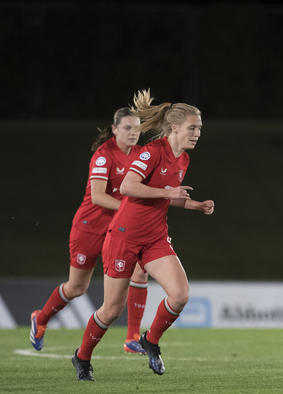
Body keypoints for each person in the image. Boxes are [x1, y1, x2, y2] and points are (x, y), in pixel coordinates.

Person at [71, 90, 214, 381]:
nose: (198, 133)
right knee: (111, 310)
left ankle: (150, 340)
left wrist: (192, 204)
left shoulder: (183, 159)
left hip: (155, 238)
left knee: (180, 295)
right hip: (123, 237)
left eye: (199, 128)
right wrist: (167, 192)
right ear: (175, 127)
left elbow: (167, 197)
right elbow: (126, 187)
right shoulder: (152, 151)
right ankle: (82, 357)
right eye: (193, 127)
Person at [30, 108, 150, 355]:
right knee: (77, 288)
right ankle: (40, 318)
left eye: (136, 128)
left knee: (140, 271)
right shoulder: (104, 155)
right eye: (127, 128)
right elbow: (97, 196)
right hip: (89, 228)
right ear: (115, 129)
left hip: (117, 231)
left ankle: (132, 338)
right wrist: (130, 210)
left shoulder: (140, 154)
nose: (132, 133)